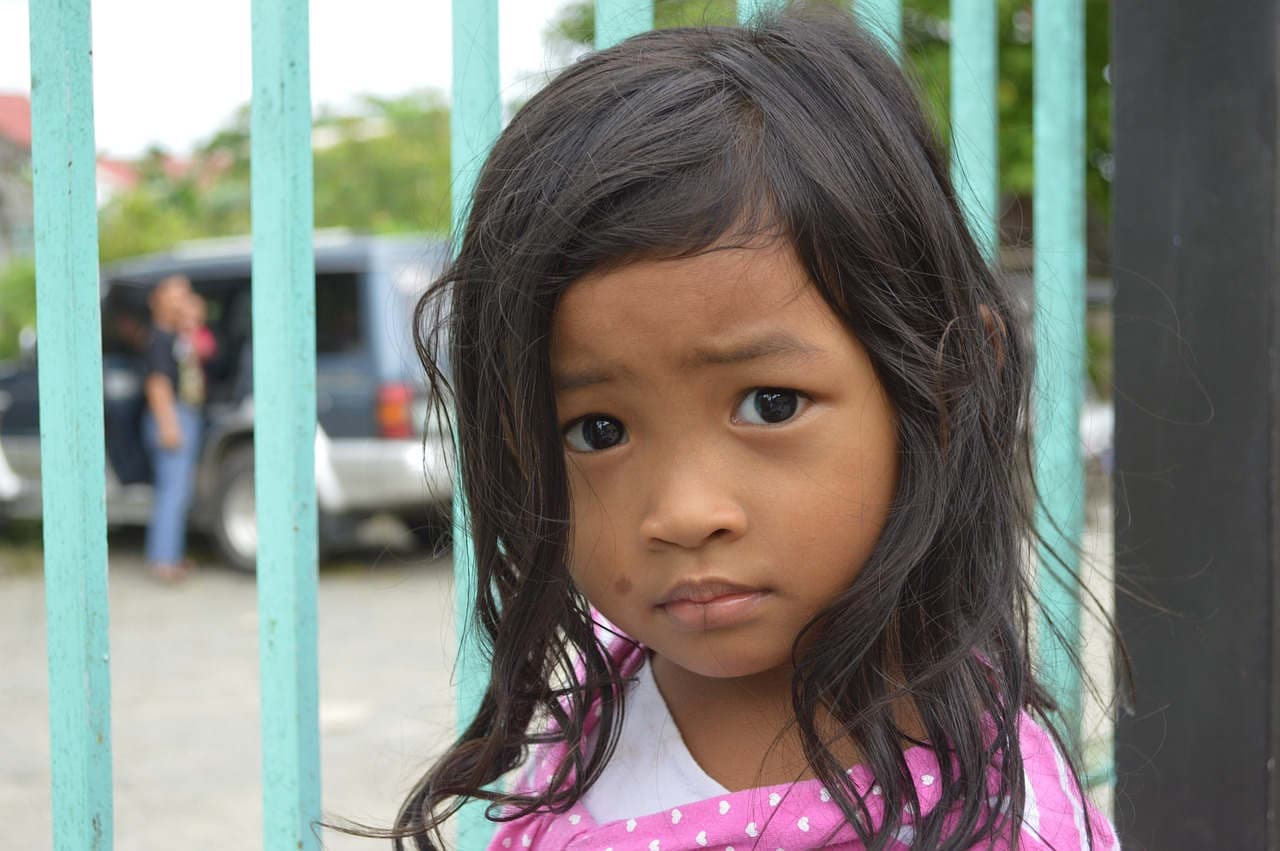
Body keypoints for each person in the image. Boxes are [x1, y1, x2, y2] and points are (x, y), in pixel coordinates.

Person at [373, 8, 1125, 850]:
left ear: (949, 386)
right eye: (596, 429)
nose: (685, 513)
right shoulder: (603, 710)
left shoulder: (1000, 821)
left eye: (770, 404)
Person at [142, 274, 206, 582]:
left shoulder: (177, 336)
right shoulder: (159, 338)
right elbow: (157, 383)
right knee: (172, 491)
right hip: (171, 416)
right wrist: (169, 426)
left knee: (180, 491)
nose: (183, 300)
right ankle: (163, 561)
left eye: (186, 293)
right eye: (175, 295)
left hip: (185, 414)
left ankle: (171, 555)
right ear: (157, 300)